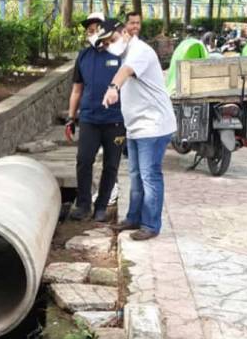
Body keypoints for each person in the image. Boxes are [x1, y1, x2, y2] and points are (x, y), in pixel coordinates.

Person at [101, 25, 177, 240]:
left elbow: (125, 72)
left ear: (125, 33)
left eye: (112, 39)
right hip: (136, 127)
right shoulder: (126, 53)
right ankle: (133, 218)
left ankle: (151, 225)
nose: (110, 46)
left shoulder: (139, 51)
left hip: (153, 126)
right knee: (135, 175)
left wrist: (113, 88)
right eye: (105, 44)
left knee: (149, 175)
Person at [66, 14, 126, 222]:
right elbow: (77, 90)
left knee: (111, 165)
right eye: (89, 31)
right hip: (89, 119)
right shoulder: (83, 56)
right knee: (84, 160)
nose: (92, 34)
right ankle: (83, 205)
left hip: (115, 119)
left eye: (96, 29)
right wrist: (71, 118)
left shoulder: (119, 54)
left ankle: (101, 206)